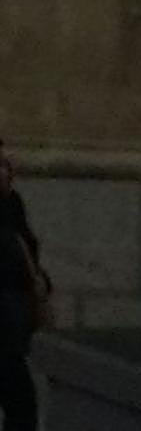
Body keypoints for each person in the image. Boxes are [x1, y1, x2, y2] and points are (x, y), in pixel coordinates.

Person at [0, 144, 44, 431]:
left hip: (12, 323)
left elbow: (27, 249)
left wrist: (40, 281)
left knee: (22, 405)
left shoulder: (11, 204)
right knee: (21, 401)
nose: (7, 171)